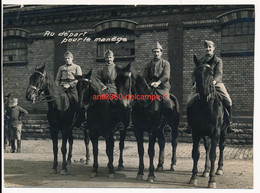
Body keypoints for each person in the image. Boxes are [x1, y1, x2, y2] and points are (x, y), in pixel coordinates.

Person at [184, 40, 235, 134]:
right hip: (202, 85)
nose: (208, 49)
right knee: (189, 102)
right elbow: (195, 74)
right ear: (204, 49)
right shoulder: (201, 61)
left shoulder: (218, 60)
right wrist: (195, 83)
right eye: (206, 47)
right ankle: (189, 125)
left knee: (228, 100)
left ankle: (229, 124)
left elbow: (219, 73)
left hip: (216, 84)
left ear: (213, 48)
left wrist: (214, 81)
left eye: (210, 47)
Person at [143, 41, 176, 124]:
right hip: (150, 87)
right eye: (154, 52)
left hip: (163, 87)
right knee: (140, 101)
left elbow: (166, 76)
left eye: (158, 52)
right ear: (152, 53)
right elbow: (144, 77)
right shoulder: (148, 64)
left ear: (161, 52)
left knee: (167, 102)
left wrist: (158, 83)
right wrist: (150, 84)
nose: (156, 53)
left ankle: (169, 123)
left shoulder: (166, 64)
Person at [95, 49, 124, 130]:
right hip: (104, 89)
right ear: (105, 58)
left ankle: (119, 122)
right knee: (97, 101)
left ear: (113, 58)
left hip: (115, 89)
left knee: (118, 103)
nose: (109, 59)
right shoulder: (101, 69)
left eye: (110, 57)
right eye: (107, 57)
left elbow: (122, 80)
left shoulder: (118, 68)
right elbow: (98, 79)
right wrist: (102, 86)